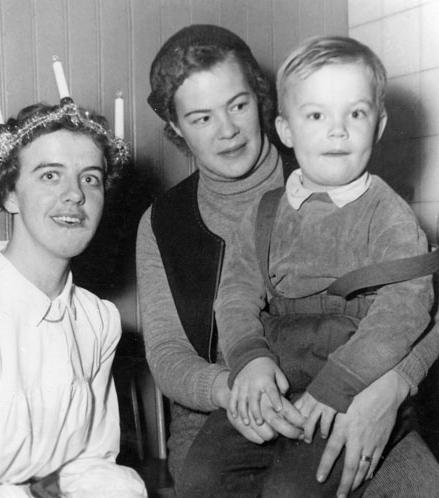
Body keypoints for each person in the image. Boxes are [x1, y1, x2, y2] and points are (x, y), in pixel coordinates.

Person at [136, 23, 439, 498]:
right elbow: (168, 354)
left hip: (360, 383)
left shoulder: (332, 162)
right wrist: (237, 386)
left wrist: (392, 386)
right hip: (228, 405)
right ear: (175, 126)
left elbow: (417, 307)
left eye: (238, 105)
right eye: (201, 117)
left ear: (263, 103)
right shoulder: (163, 221)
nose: (227, 130)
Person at [0, 97, 147, 497]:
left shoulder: (97, 320)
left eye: (90, 179)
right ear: (10, 195)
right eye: (50, 175)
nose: (75, 195)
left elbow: (90, 464)